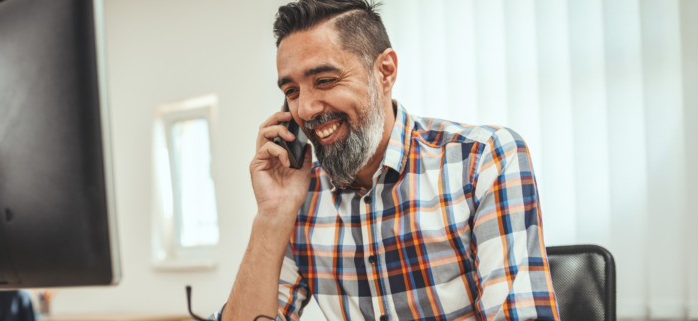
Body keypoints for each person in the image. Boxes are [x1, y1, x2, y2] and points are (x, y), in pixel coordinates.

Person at [219, 0, 560, 320]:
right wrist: (272, 214)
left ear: (385, 71)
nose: (305, 109)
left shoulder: (482, 159)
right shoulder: (300, 195)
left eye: (324, 81)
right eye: (291, 92)